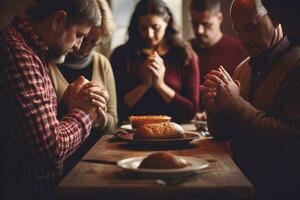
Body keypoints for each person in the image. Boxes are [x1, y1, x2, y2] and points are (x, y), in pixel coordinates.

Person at [0, 0, 106, 199]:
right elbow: (50, 149)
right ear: (58, 20)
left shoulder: (33, 52)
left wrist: (68, 102)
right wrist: (86, 113)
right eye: (79, 35)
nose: (78, 46)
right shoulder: (19, 55)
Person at [202, 0, 300, 199]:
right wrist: (215, 109)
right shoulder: (243, 68)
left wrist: (233, 103)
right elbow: (223, 133)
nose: (244, 39)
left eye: (250, 28)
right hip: (242, 185)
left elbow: (293, 139)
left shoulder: (296, 66)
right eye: (239, 31)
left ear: (275, 18)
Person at [49, 0, 117, 173]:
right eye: (83, 38)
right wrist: (76, 108)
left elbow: (114, 120)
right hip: (63, 162)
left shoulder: (102, 63)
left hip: (97, 160)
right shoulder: (48, 62)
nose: (84, 49)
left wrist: (99, 118)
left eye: (94, 43)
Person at [111, 0, 199, 123]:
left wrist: (160, 85)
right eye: (143, 27)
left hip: (175, 131)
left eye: (155, 27)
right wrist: (145, 84)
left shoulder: (184, 55)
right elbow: (117, 109)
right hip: (131, 131)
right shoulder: (121, 55)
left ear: (167, 22)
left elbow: (191, 111)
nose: (149, 34)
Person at [189, 0, 248, 120]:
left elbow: (245, 97)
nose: (199, 30)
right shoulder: (185, 50)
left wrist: (212, 113)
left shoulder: (241, 51)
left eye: (206, 24)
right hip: (189, 122)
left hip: (225, 121)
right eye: (194, 24)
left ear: (220, 18)